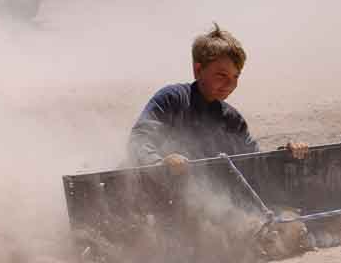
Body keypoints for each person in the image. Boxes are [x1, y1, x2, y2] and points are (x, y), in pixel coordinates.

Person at [128, 24, 305, 170]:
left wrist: (286, 155)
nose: (230, 84)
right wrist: (160, 164)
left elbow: (255, 163)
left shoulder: (233, 121)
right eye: (221, 75)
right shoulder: (172, 99)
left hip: (202, 204)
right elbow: (139, 139)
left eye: (236, 76)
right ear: (198, 70)